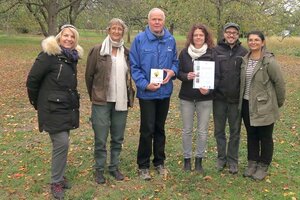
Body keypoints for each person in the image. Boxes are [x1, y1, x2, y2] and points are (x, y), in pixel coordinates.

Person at [26, 24, 83, 199]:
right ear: (59, 37)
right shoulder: (48, 56)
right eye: (66, 35)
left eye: (72, 37)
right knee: (62, 143)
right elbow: (32, 81)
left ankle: (59, 175)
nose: (69, 39)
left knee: (63, 144)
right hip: (51, 108)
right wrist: (39, 104)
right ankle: (56, 181)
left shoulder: (71, 58)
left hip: (65, 108)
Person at [130, 8, 178, 180]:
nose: (157, 22)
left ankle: (159, 162)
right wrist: (145, 85)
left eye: (160, 19)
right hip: (147, 94)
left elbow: (175, 62)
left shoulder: (170, 40)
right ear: (149, 21)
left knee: (160, 128)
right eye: (154, 19)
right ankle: (143, 165)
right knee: (147, 129)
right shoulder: (139, 40)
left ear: (164, 21)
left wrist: (172, 72)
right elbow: (134, 67)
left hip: (164, 93)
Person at [85, 18, 135, 184]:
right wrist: (95, 95)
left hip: (120, 101)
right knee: (100, 138)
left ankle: (113, 167)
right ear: (108, 30)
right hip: (101, 101)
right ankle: (99, 169)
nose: (116, 31)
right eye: (113, 28)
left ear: (123, 32)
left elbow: (129, 77)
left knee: (117, 137)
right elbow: (89, 77)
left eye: (120, 29)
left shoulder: (126, 53)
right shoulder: (97, 51)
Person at [240, 30, 285, 180]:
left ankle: (263, 165)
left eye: (256, 40)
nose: (253, 42)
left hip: (265, 106)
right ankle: (252, 163)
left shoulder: (268, 61)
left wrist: (276, 103)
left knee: (265, 137)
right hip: (247, 104)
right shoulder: (245, 59)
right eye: (250, 40)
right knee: (252, 135)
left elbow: (279, 83)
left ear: (263, 42)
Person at [177, 24, 220, 174]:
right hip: (187, 97)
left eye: (201, 35)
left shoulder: (212, 53)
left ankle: (199, 160)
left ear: (205, 37)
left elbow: (217, 77)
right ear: (191, 37)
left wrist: (209, 89)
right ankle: (187, 160)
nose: (198, 37)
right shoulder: (184, 53)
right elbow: (179, 72)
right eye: (195, 35)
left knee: (202, 131)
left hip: (205, 99)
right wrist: (185, 76)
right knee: (187, 130)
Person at [213, 22, 248, 174]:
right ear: (224, 34)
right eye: (228, 32)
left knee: (235, 132)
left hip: (235, 100)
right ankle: (221, 158)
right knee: (219, 131)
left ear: (238, 34)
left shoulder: (244, 52)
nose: (231, 35)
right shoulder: (216, 50)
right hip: (219, 99)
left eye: (234, 32)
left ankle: (233, 160)